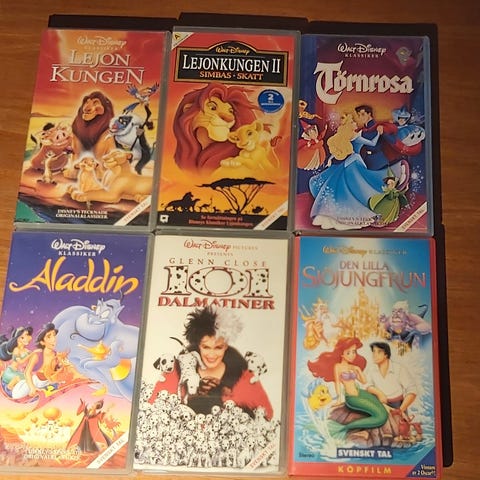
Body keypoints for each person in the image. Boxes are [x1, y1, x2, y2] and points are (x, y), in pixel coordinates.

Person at [148, 306, 273, 419]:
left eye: (218, 347)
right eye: (206, 347)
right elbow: (152, 407)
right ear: (198, 345)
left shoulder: (244, 376)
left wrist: (225, 397)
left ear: (226, 346)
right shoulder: (176, 370)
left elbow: (268, 414)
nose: (212, 355)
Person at [309, 113, 388, 230]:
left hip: (348, 162)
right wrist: (378, 134)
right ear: (350, 125)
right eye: (353, 122)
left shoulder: (346, 135)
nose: (355, 123)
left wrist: (330, 159)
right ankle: (361, 209)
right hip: (355, 161)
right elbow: (372, 143)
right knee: (359, 185)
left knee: (344, 185)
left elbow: (339, 150)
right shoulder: (355, 136)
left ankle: (344, 210)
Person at [307, 337, 388, 435]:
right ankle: (347, 427)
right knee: (381, 417)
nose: (352, 355)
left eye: (354, 352)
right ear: (342, 354)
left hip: (360, 393)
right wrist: (339, 399)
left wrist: (358, 370)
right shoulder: (338, 367)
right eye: (348, 352)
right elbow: (337, 382)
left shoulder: (353, 367)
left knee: (384, 413)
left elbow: (364, 381)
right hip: (352, 398)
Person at [12, 323, 66, 398]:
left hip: (48, 383)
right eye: (49, 337)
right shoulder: (38, 355)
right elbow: (27, 372)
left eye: (54, 335)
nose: (54, 339)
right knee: (16, 395)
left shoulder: (57, 354)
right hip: (35, 382)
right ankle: (19, 383)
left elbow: (58, 371)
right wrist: (32, 387)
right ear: (42, 342)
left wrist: (62, 363)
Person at [365, 342, 417, 414]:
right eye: (373, 351)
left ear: (386, 354)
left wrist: (401, 409)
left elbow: (412, 390)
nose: (374, 355)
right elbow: (367, 385)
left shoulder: (399, 369)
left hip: (397, 405)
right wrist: (379, 393)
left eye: (379, 352)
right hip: (379, 404)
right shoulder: (372, 369)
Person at [0, 326, 33, 395]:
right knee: (21, 379)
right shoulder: (16, 350)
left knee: (30, 378)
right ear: (18, 339)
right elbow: (20, 361)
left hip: (17, 371)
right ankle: (9, 387)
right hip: (10, 372)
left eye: (27, 335)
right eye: (22, 337)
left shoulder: (26, 350)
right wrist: (31, 355)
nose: (27, 338)